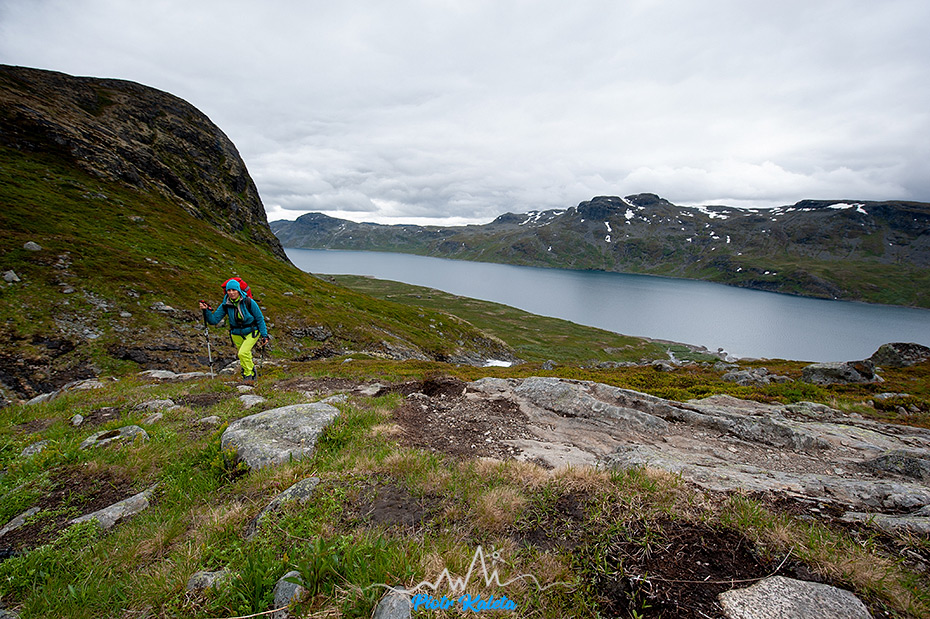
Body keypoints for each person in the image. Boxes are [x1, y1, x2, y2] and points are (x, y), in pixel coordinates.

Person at [199, 279, 269, 381]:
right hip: (236, 333)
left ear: (238, 290)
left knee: (242, 353)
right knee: (245, 355)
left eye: (233, 290)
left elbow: (259, 318)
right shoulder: (225, 304)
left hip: (252, 331)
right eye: (229, 290)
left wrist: (264, 335)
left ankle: (248, 376)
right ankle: (252, 374)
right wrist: (207, 311)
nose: (231, 293)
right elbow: (213, 321)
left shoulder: (249, 301)